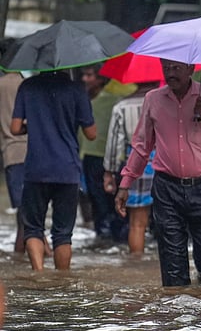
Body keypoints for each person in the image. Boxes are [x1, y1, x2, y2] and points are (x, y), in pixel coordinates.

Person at [115, 59, 201, 286]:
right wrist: (125, 184)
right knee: (172, 261)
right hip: (166, 188)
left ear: (191, 69)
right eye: (166, 67)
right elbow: (142, 145)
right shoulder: (153, 99)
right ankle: (173, 315)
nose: (171, 73)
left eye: (177, 67)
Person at [11, 69, 97, 271]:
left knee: (33, 228)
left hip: (36, 168)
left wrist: (32, 127)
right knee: (63, 234)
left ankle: (39, 273)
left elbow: (14, 128)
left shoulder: (28, 86)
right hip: (67, 170)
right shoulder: (77, 89)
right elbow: (91, 133)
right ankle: (62, 279)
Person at [103, 81, 158, 254]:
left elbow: (114, 144)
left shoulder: (122, 106)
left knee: (137, 223)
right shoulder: (166, 102)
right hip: (164, 161)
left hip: (136, 162)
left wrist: (109, 171)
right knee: (169, 222)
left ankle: (137, 263)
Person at [80, 63, 124, 244]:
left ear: (100, 79)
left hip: (110, 158)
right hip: (89, 156)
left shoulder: (114, 101)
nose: (85, 79)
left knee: (111, 199)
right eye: (84, 75)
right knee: (95, 199)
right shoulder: (81, 100)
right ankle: (102, 236)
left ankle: (115, 236)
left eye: (90, 75)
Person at [0, 39, 29, 254]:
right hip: (32, 151)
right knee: (29, 214)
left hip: (11, 152)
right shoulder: (25, 84)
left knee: (23, 212)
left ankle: (22, 258)